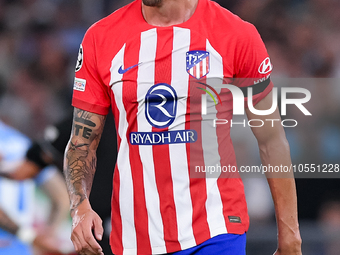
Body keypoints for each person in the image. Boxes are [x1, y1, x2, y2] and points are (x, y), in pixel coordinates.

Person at [64, 0, 302, 254]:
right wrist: (79, 207)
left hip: (217, 227)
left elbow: (271, 139)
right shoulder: (101, 38)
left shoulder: (235, 34)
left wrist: (290, 236)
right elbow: (81, 143)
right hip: (136, 238)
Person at [0, 119, 71, 255]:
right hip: (22, 248)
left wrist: (34, 238)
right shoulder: (21, 142)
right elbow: (61, 197)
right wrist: (46, 237)